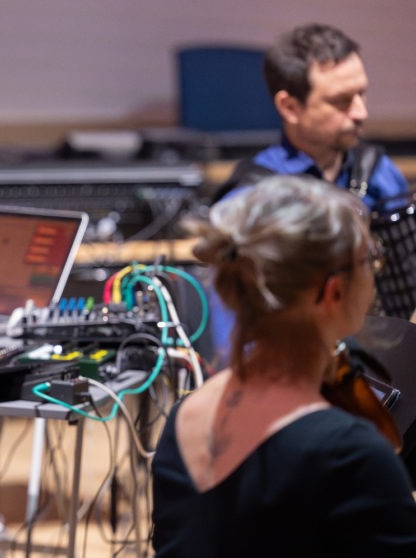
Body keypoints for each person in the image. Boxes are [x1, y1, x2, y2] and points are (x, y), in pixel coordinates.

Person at [152, 174, 416, 557]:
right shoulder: (352, 455)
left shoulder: (184, 419)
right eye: (369, 260)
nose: (374, 272)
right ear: (333, 291)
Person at [207, 22, 410, 368]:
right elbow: (234, 341)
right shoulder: (250, 199)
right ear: (290, 107)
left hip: (391, 369)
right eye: (341, 101)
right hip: (292, 375)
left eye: (362, 94)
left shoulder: (379, 172)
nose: (361, 112)